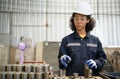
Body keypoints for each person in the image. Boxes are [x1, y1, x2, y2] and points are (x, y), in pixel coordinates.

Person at [58, 1, 107, 76]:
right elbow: (61, 64)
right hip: (72, 77)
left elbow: (103, 59)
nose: (78, 22)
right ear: (73, 20)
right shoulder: (66, 40)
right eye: (76, 18)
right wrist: (62, 60)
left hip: (91, 77)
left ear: (88, 20)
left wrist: (96, 63)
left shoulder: (95, 41)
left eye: (82, 19)